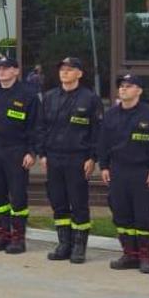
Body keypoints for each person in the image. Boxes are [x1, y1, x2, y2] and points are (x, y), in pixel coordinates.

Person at [32, 57, 101, 265]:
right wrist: (42, 154)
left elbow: (96, 132)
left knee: (78, 202)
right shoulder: (50, 97)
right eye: (62, 69)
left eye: (70, 70)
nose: (64, 73)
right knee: (58, 201)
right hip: (53, 157)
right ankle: (64, 244)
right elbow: (41, 127)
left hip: (77, 158)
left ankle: (79, 246)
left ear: (79, 73)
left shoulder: (90, 99)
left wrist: (92, 157)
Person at [100, 74, 149, 274]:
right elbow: (103, 142)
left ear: (138, 90)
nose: (123, 89)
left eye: (128, 86)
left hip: (142, 172)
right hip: (118, 172)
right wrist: (104, 166)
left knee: (143, 216)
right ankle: (130, 254)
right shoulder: (111, 115)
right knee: (121, 214)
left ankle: (145, 257)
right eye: (121, 86)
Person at [0, 55, 38, 254]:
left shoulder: (28, 95)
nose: (1, 71)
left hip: (17, 150)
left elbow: (35, 126)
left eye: (6, 68)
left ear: (16, 71)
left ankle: (18, 238)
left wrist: (31, 151)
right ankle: (3, 235)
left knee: (18, 195)